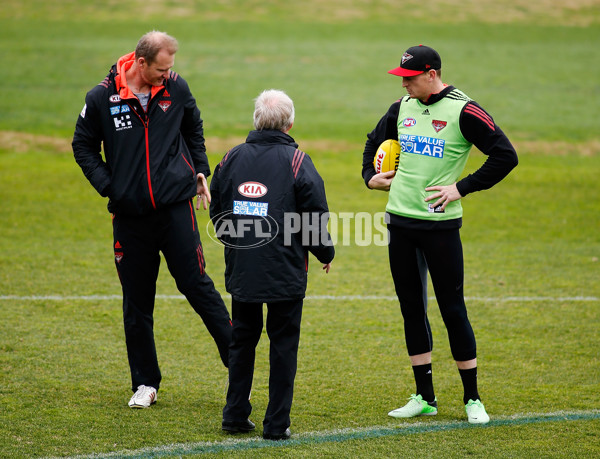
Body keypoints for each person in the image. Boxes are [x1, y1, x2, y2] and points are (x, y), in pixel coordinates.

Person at [72, 31, 232, 408]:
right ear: (141, 63)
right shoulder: (101, 97)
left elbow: (193, 128)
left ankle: (237, 358)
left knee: (196, 284)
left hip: (176, 208)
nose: (168, 75)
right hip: (130, 218)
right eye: (161, 69)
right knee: (137, 301)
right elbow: (82, 146)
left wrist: (199, 171)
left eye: (170, 68)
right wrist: (111, 187)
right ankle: (145, 383)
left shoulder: (175, 88)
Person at [362, 45, 518, 424]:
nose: (405, 86)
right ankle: (424, 396)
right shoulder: (401, 108)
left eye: (410, 79)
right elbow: (372, 142)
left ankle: (472, 400)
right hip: (399, 222)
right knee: (411, 308)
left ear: (432, 74)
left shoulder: (465, 110)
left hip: (440, 228)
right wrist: (371, 177)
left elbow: (505, 156)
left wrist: (461, 189)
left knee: (452, 310)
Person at [210, 89, 335, 440]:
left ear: (256, 121)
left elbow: (217, 210)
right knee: (283, 345)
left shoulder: (231, 157)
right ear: (290, 123)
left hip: (244, 269)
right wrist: (325, 253)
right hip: (285, 271)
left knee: (242, 341)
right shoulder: (298, 162)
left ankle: (234, 414)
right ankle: (276, 425)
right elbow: (314, 217)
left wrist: (238, 243)